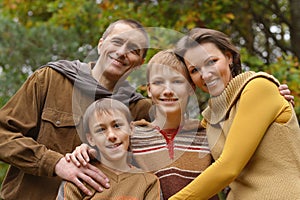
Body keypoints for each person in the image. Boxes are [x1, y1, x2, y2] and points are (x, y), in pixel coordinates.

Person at [0, 19, 152, 200]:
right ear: (101, 45)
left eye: (133, 50)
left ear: (140, 63)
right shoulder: (50, 79)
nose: (121, 52)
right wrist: (55, 163)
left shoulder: (139, 108)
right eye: (117, 42)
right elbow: (3, 133)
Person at [66, 50, 218, 200]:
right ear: (149, 90)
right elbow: (107, 151)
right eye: (159, 82)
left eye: (177, 81)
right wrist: (86, 150)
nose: (167, 91)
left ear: (191, 87)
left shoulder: (207, 134)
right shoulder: (132, 135)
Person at [169, 28, 300, 199]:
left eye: (211, 61)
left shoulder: (258, 87)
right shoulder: (208, 120)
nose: (206, 74)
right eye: (194, 70)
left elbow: (229, 167)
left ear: (229, 57)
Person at [56, 98, 160, 199]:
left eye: (117, 126)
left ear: (131, 129)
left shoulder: (148, 181)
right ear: (91, 139)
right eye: (101, 130)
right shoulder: (80, 176)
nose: (111, 136)